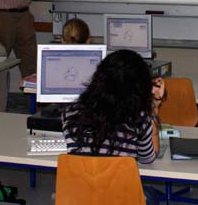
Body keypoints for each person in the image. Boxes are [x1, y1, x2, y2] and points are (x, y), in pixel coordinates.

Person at [61, 49, 164, 204]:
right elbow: (148, 158)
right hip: (121, 199)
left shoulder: (70, 112)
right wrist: (153, 108)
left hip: (81, 198)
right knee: (150, 194)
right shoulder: (139, 118)